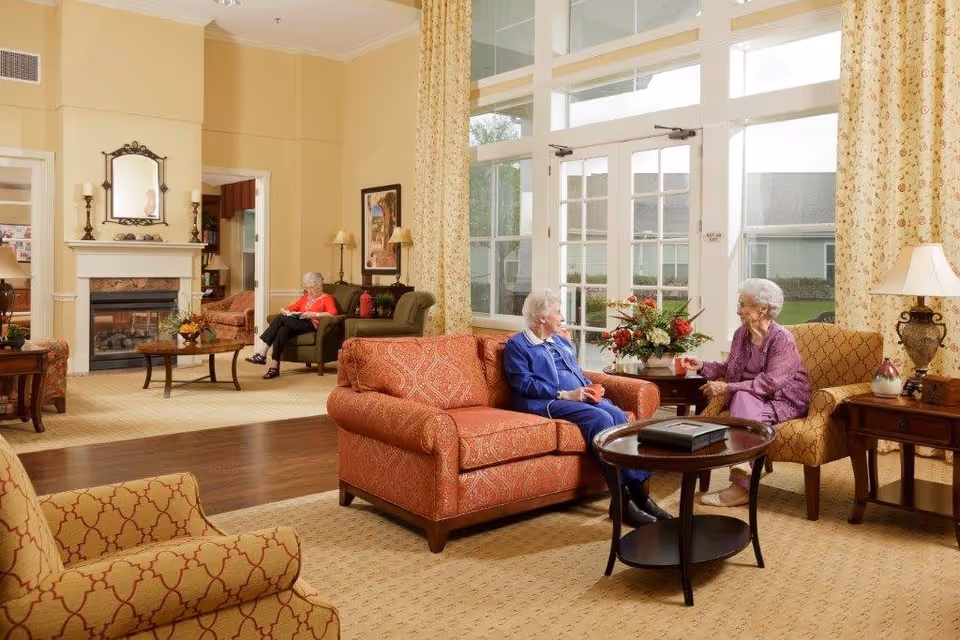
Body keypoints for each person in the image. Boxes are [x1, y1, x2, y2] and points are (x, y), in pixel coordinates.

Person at [503, 289, 673, 527]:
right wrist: (565, 394)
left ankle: (639, 494)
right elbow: (523, 384)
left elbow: (575, 372)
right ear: (541, 317)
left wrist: (589, 388)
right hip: (546, 401)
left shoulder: (560, 341)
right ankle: (622, 500)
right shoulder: (518, 345)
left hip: (576, 396)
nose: (562, 316)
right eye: (558, 312)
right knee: (600, 419)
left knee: (617, 415)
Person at [680, 278, 812, 507]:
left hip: (782, 398)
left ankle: (740, 486)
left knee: (741, 399)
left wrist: (728, 387)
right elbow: (730, 367)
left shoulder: (782, 339)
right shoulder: (742, 334)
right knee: (743, 398)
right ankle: (742, 472)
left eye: (743, 305)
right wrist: (702, 365)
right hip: (749, 398)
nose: (738, 311)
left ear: (762, 309)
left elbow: (771, 382)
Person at [245, 272, 338, 379]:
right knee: (282, 330)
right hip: (299, 322)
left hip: (311, 325)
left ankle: (263, 352)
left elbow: (333, 313)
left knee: (281, 319)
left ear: (319, 286)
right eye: (307, 288)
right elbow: (292, 307)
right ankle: (274, 367)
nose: (309, 290)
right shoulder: (306, 297)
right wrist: (285, 311)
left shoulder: (327, 298)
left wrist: (313, 314)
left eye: (311, 288)